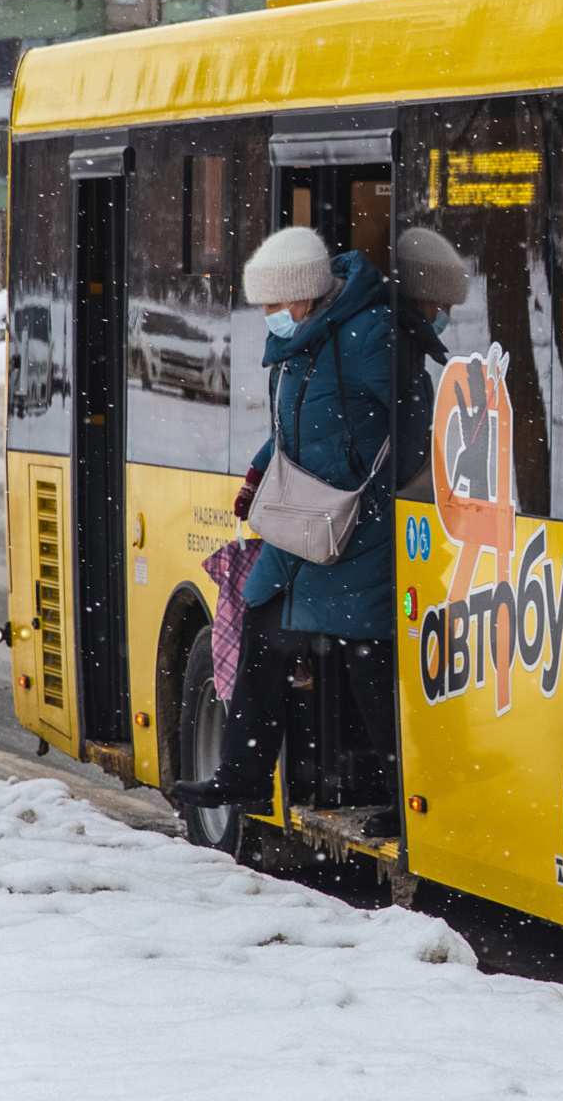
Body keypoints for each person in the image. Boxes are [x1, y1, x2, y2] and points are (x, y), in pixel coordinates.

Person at [167, 225, 398, 812]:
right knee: (263, 632)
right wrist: (258, 472)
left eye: (272, 305)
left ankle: (402, 797)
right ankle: (241, 777)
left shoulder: (368, 336)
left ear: (302, 296)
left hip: (357, 530)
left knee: (366, 661)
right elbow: (294, 431)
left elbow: (415, 423)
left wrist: (370, 482)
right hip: (302, 524)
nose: (267, 316)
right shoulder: (300, 349)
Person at [391, 226, 469, 486]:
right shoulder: (397, 350)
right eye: (444, 305)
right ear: (422, 296)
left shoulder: (410, 348)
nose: (446, 315)